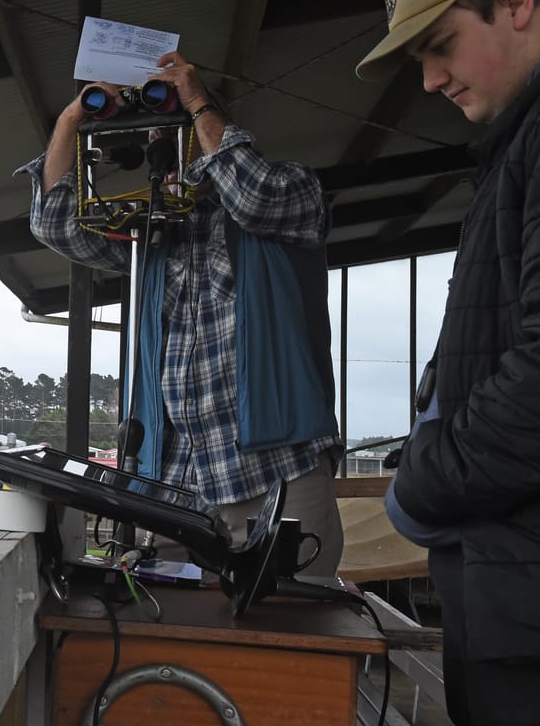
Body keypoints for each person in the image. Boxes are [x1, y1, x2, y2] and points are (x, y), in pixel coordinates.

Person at [356, 0, 540, 723]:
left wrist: (422, 486)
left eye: (440, 45)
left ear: (517, 1)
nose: (430, 80)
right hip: (538, 594)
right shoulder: (537, 132)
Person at [21, 49, 345, 574]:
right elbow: (55, 225)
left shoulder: (294, 192)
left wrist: (196, 102)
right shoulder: (152, 235)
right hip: (175, 481)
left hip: (277, 470)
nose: (162, 147)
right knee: (170, 614)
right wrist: (72, 119)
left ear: (208, 132)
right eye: (155, 138)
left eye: (174, 132)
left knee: (293, 614)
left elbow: (255, 198)